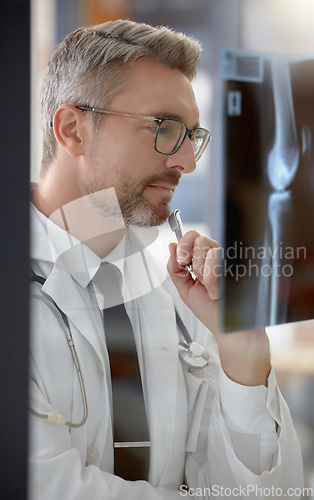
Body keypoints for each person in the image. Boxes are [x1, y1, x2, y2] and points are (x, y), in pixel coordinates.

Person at [29, 19, 303, 499]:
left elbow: (265, 490)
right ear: (73, 130)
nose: (187, 163)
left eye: (191, 135)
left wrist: (244, 361)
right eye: (164, 129)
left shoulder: (180, 293)